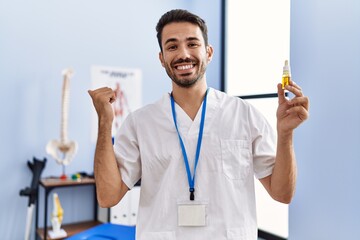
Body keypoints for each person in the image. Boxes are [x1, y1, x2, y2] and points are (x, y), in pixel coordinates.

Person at [88, 9, 309, 240]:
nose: (183, 54)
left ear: (209, 52)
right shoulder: (140, 123)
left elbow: (282, 194)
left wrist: (285, 134)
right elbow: (108, 197)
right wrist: (105, 121)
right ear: (162, 58)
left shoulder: (243, 115)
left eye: (192, 44)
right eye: (172, 46)